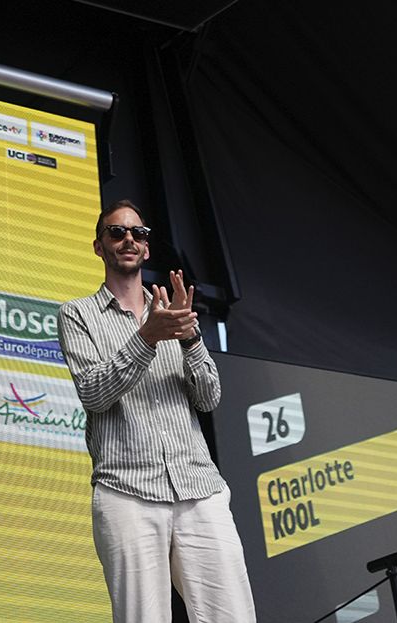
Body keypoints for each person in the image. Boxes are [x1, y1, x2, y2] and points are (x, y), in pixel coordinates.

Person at [57, 199, 256, 623]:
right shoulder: (77, 314)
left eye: (138, 233)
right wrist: (146, 337)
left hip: (198, 487)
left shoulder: (173, 312)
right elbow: (93, 393)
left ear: (146, 249)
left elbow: (209, 398)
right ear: (98, 246)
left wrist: (190, 338)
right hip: (126, 491)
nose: (129, 239)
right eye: (117, 232)